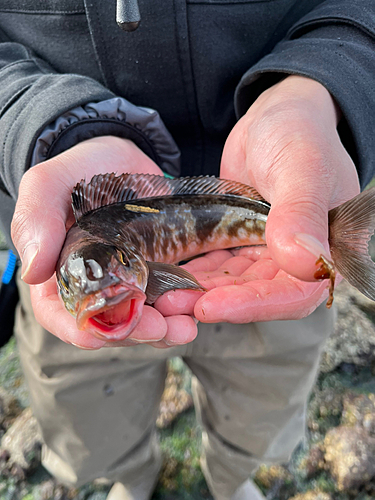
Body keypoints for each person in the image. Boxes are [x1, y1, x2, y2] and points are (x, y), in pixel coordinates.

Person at [0, 1, 374, 499]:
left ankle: (233, 474)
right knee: (86, 411)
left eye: (109, 278)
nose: (107, 294)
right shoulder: (92, 254)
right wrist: (42, 128)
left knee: (262, 398)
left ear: (133, 265)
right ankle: (130, 476)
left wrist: (319, 90)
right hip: (63, 166)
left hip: (267, 179)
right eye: (89, 285)